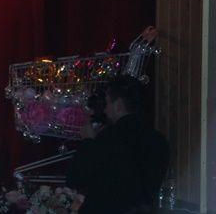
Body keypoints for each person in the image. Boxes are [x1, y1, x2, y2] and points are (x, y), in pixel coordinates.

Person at [66, 75, 170, 214]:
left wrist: (87, 142)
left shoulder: (108, 138)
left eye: (107, 103)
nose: (105, 110)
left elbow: (77, 178)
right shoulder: (159, 141)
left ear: (118, 105)